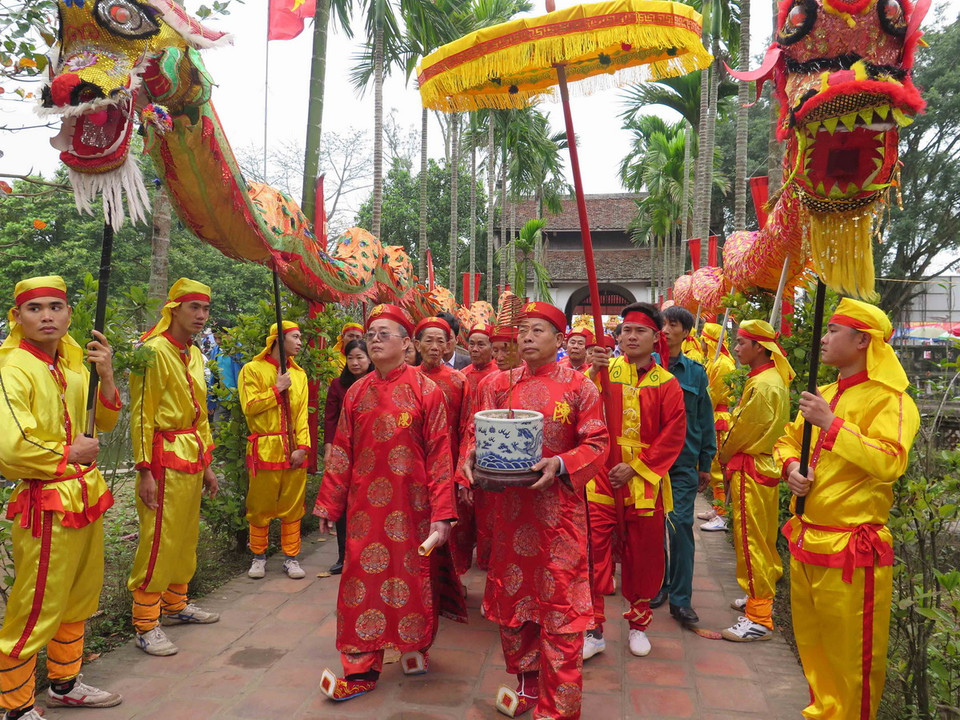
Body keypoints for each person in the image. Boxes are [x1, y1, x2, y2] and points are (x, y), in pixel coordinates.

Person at [463, 301, 608, 720]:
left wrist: (560, 463)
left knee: (561, 611)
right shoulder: (497, 384)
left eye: (538, 330)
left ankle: (559, 708)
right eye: (523, 330)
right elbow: (474, 434)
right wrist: (469, 460)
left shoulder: (582, 387)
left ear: (560, 340)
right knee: (515, 606)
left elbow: (598, 444)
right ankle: (527, 686)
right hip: (508, 517)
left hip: (558, 516)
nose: (527, 337)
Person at [774, 299, 919, 720]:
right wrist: (792, 467)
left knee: (852, 662)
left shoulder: (892, 401)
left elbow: (890, 461)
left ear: (862, 341)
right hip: (807, 537)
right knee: (815, 651)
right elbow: (787, 440)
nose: (823, 337)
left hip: (851, 550)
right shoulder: (826, 394)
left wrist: (832, 425)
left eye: (833, 330)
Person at [314, 303, 465, 702]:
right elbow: (342, 451)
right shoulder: (356, 392)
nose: (376, 339)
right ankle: (361, 669)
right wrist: (330, 503)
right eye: (372, 333)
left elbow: (440, 456)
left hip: (413, 508)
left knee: (413, 581)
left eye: (385, 333)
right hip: (364, 512)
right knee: (358, 585)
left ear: (405, 343)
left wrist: (443, 514)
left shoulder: (425, 390)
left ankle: (414, 649)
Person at [0, 277, 123, 718]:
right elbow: (9, 447)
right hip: (45, 500)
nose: (47, 316)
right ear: (18, 317)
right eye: (35, 309)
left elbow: (103, 422)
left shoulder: (71, 366)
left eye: (56, 307)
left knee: (77, 596)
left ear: (69, 314)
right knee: (36, 604)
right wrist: (68, 453)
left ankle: (66, 682)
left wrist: (105, 375)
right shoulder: (11, 367)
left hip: (84, 494)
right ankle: (14, 705)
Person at [585, 302, 685, 661]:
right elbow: (581, 411)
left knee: (642, 556)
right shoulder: (604, 371)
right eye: (625, 330)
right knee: (595, 554)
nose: (630, 336)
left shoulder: (667, 383)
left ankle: (639, 625)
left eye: (639, 331)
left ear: (655, 338)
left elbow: (673, 434)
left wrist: (637, 466)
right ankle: (593, 628)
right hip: (600, 479)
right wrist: (590, 375)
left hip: (644, 483)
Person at [128, 278, 220, 657]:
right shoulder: (153, 351)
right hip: (163, 456)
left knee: (184, 536)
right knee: (158, 539)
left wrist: (208, 464)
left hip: (191, 453)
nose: (200, 315)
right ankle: (145, 623)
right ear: (174, 309)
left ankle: (176, 604)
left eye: (205, 309)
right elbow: (141, 414)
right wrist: (144, 470)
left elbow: (200, 415)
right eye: (193, 307)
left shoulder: (194, 353)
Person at [719, 319, 793, 641]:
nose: (735, 348)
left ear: (759, 347)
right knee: (761, 539)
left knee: (750, 542)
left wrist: (722, 453)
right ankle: (758, 597)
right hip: (763, 465)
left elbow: (742, 431)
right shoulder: (769, 378)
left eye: (740, 342)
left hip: (752, 467)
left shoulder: (765, 385)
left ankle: (759, 616)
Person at [653, 306, 716, 626]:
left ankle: (680, 599)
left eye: (672, 324)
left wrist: (706, 462)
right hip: (647, 463)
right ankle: (657, 584)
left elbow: (705, 420)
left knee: (678, 528)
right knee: (649, 528)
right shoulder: (641, 367)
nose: (665, 329)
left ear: (686, 333)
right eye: (661, 323)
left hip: (682, 463)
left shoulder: (695, 373)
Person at [239, 321, 312, 581]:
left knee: (292, 505)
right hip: (265, 447)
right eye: (295, 336)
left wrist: (303, 447)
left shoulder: (300, 375)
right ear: (278, 340)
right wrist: (276, 388)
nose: (300, 342)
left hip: (293, 447)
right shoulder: (252, 369)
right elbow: (249, 406)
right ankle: (258, 556)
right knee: (259, 505)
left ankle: (291, 558)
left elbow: (302, 415)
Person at [413, 317, 473, 576]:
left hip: (447, 467)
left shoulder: (459, 381)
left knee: (450, 528)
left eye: (441, 341)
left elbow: (467, 429)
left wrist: (462, 475)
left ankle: (451, 583)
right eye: (429, 340)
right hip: (416, 466)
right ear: (417, 344)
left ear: (450, 344)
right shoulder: (408, 380)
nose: (435, 347)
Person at [322, 338, 372, 575]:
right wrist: (329, 447)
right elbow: (330, 418)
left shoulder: (377, 382)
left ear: (369, 358)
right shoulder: (338, 386)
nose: (355, 362)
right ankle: (344, 555)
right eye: (350, 357)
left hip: (370, 451)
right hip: (345, 451)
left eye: (360, 357)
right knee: (342, 502)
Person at [698, 322, 736, 531]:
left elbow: (714, 394)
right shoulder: (717, 361)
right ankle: (717, 507)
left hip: (718, 416)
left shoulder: (722, 364)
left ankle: (722, 514)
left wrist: (701, 411)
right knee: (714, 466)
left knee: (718, 467)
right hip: (715, 415)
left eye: (703, 338)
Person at [463, 323, 497, 397]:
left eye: (480, 345)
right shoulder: (462, 375)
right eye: (471, 344)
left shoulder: (499, 375)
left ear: (492, 348)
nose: (475, 349)